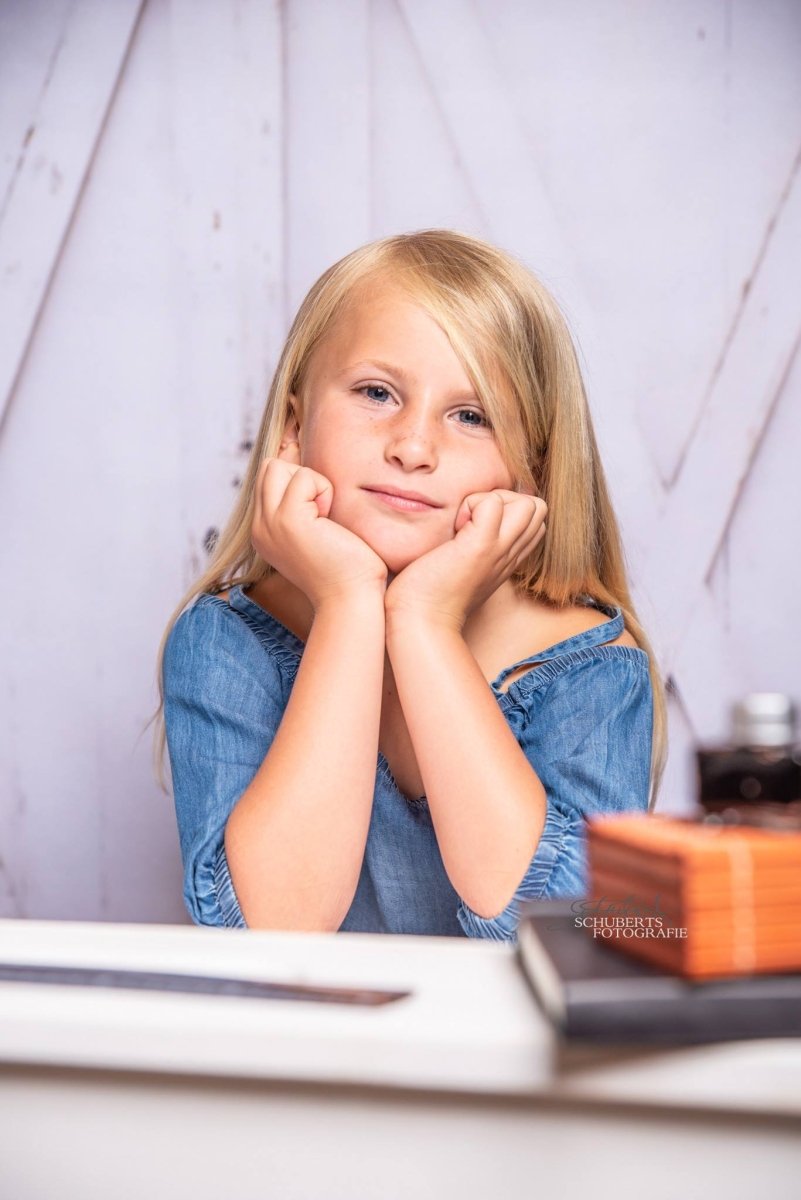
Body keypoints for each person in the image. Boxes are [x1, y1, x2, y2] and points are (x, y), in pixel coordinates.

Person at [153, 229, 667, 943]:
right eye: (375, 392)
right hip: (311, 1054)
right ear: (293, 429)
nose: (412, 447)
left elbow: (572, 932)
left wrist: (424, 622)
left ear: (531, 475)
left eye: (470, 415)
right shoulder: (226, 644)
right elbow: (270, 930)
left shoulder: (591, 664)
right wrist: (347, 603)